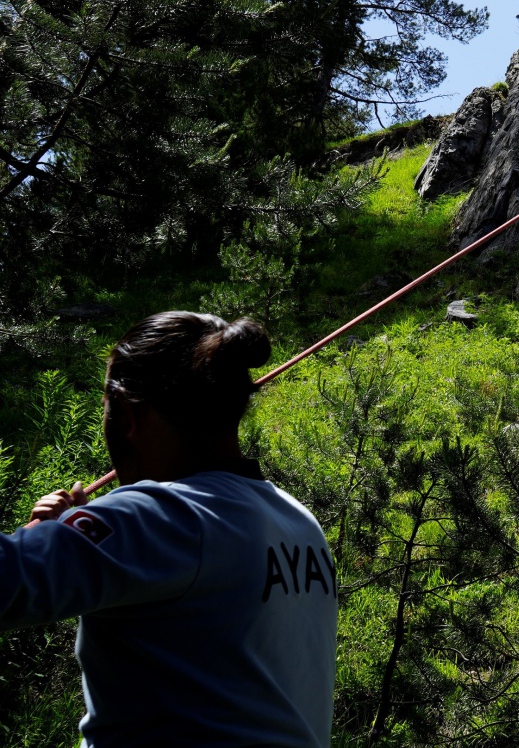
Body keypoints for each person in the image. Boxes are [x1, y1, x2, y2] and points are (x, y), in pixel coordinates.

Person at [0, 312, 338, 748]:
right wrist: (72, 535)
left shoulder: (162, 516)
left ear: (125, 414)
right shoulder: (298, 520)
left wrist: (75, 533)